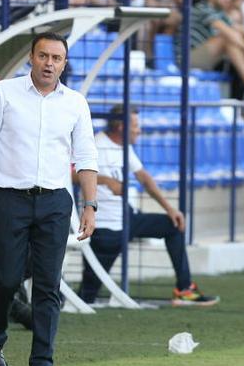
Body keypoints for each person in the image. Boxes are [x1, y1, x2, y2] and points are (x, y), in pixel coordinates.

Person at [0, 32, 99, 366]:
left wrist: (90, 205)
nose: (49, 63)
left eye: (57, 58)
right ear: (31, 57)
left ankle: (42, 363)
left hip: (56, 201)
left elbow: (86, 157)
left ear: (64, 64)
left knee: (47, 284)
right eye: (44, 56)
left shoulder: (75, 103)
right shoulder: (3, 93)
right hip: (9, 198)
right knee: (7, 280)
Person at [78, 105, 219, 307]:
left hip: (127, 218)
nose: (139, 130)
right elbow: (73, 174)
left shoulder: (124, 147)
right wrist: (106, 181)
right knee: (87, 296)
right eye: (135, 125)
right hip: (106, 227)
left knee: (173, 225)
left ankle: (185, 289)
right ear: (120, 126)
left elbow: (144, 177)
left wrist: (169, 209)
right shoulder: (97, 145)